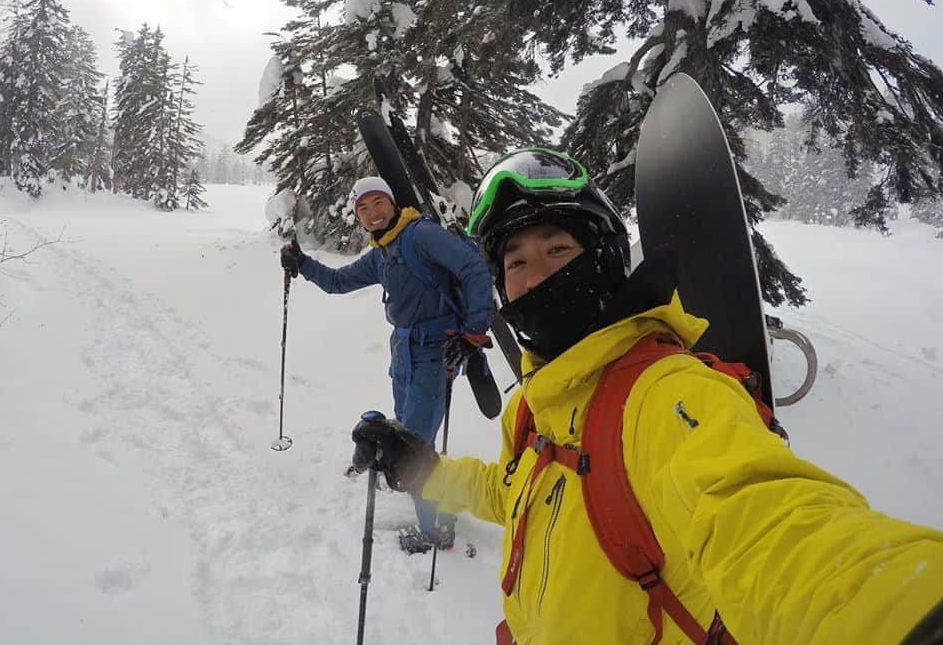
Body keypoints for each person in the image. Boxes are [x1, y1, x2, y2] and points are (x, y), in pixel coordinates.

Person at [351, 148, 943, 644]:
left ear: (604, 260)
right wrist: (419, 465)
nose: (537, 278)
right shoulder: (535, 408)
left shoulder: (666, 393)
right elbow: (512, 495)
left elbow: (768, 525)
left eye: (559, 251)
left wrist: (901, 613)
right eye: (517, 261)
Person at [281, 175, 494, 553]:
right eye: (363, 208)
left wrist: (474, 331)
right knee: (406, 435)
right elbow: (337, 281)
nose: (372, 213)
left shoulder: (419, 235)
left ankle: (437, 528)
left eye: (378, 202)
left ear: (392, 203)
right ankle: (422, 488)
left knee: (413, 447)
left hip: (434, 352)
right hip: (404, 352)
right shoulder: (384, 252)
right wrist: (303, 263)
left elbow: (473, 267)